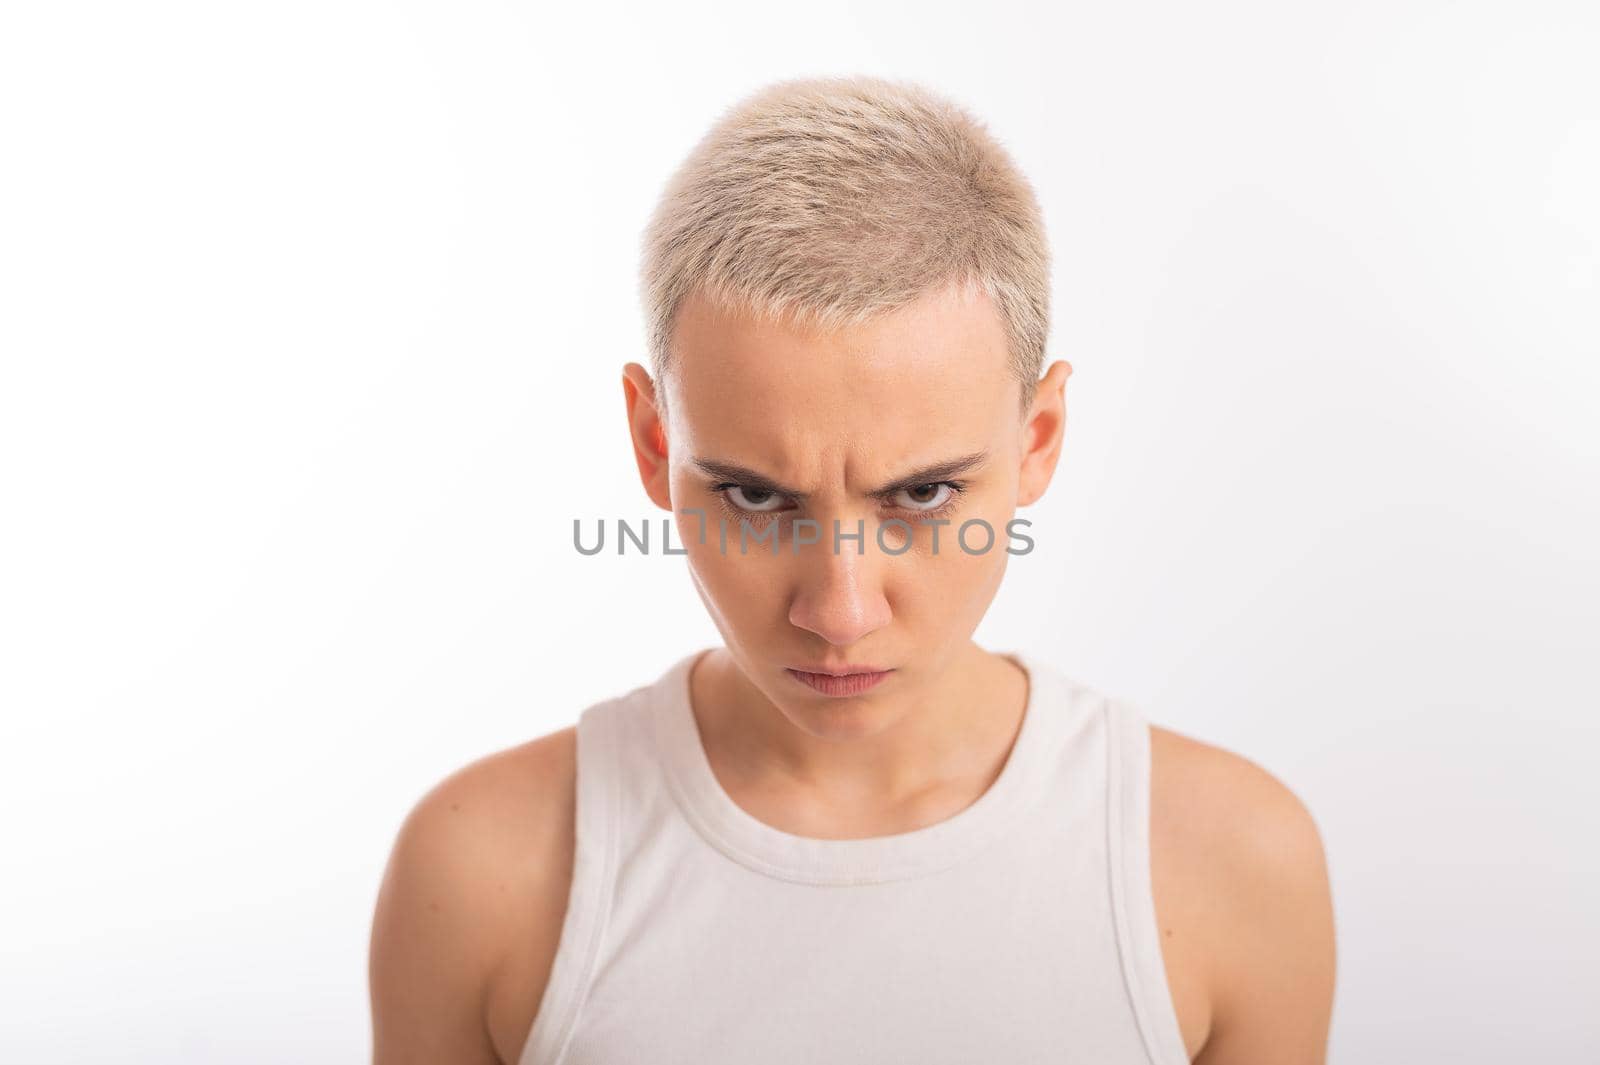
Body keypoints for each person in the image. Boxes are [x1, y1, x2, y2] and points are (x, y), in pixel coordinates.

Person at [368, 74, 1336, 1064]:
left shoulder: (1230, 863)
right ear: (654, 444)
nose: (839, 612)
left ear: (1037, 439)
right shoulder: (484, 874)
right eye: (754, 496)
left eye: (920, 495)